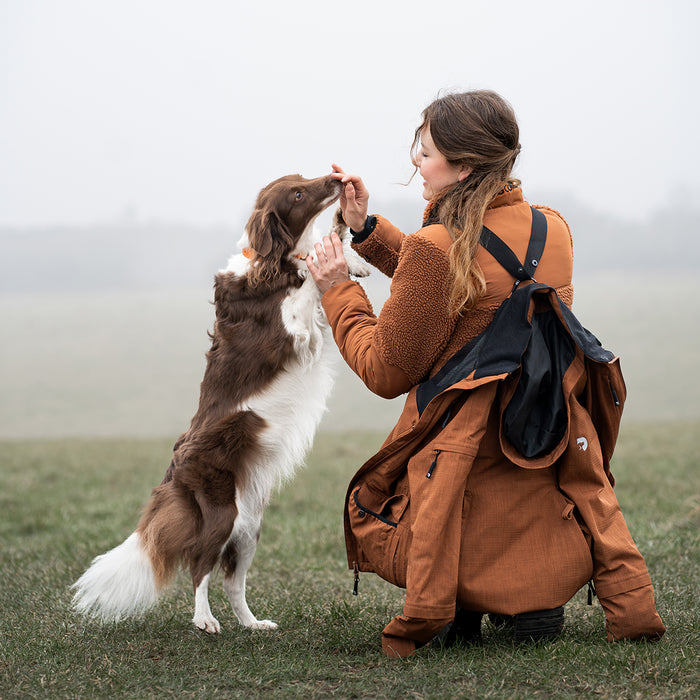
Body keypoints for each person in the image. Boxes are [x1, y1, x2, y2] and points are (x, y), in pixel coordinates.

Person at [306, 90, 665, 658]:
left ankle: (462, 597)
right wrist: (367, 228)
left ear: (464, 166)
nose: (416, 165)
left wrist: (338, 291)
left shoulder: (438, 247)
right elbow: (472, 284)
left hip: (462, 443)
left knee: (444, 476)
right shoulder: (553, 230)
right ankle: (534, 596)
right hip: (542, 430)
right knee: (521, 485)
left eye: (424, 153)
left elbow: (383, 369)